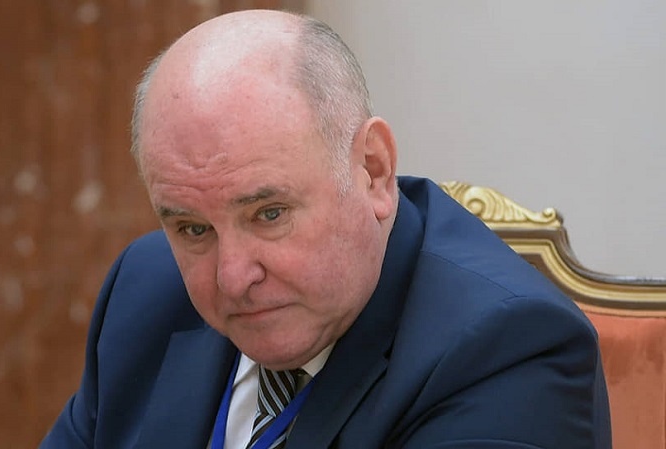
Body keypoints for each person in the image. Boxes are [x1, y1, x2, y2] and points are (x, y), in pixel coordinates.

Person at [40, 9, 611, 449]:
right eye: (193, 229)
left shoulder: (508, 350)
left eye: (269, 214)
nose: (233, 277)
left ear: (373, 171)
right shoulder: (143, 292)